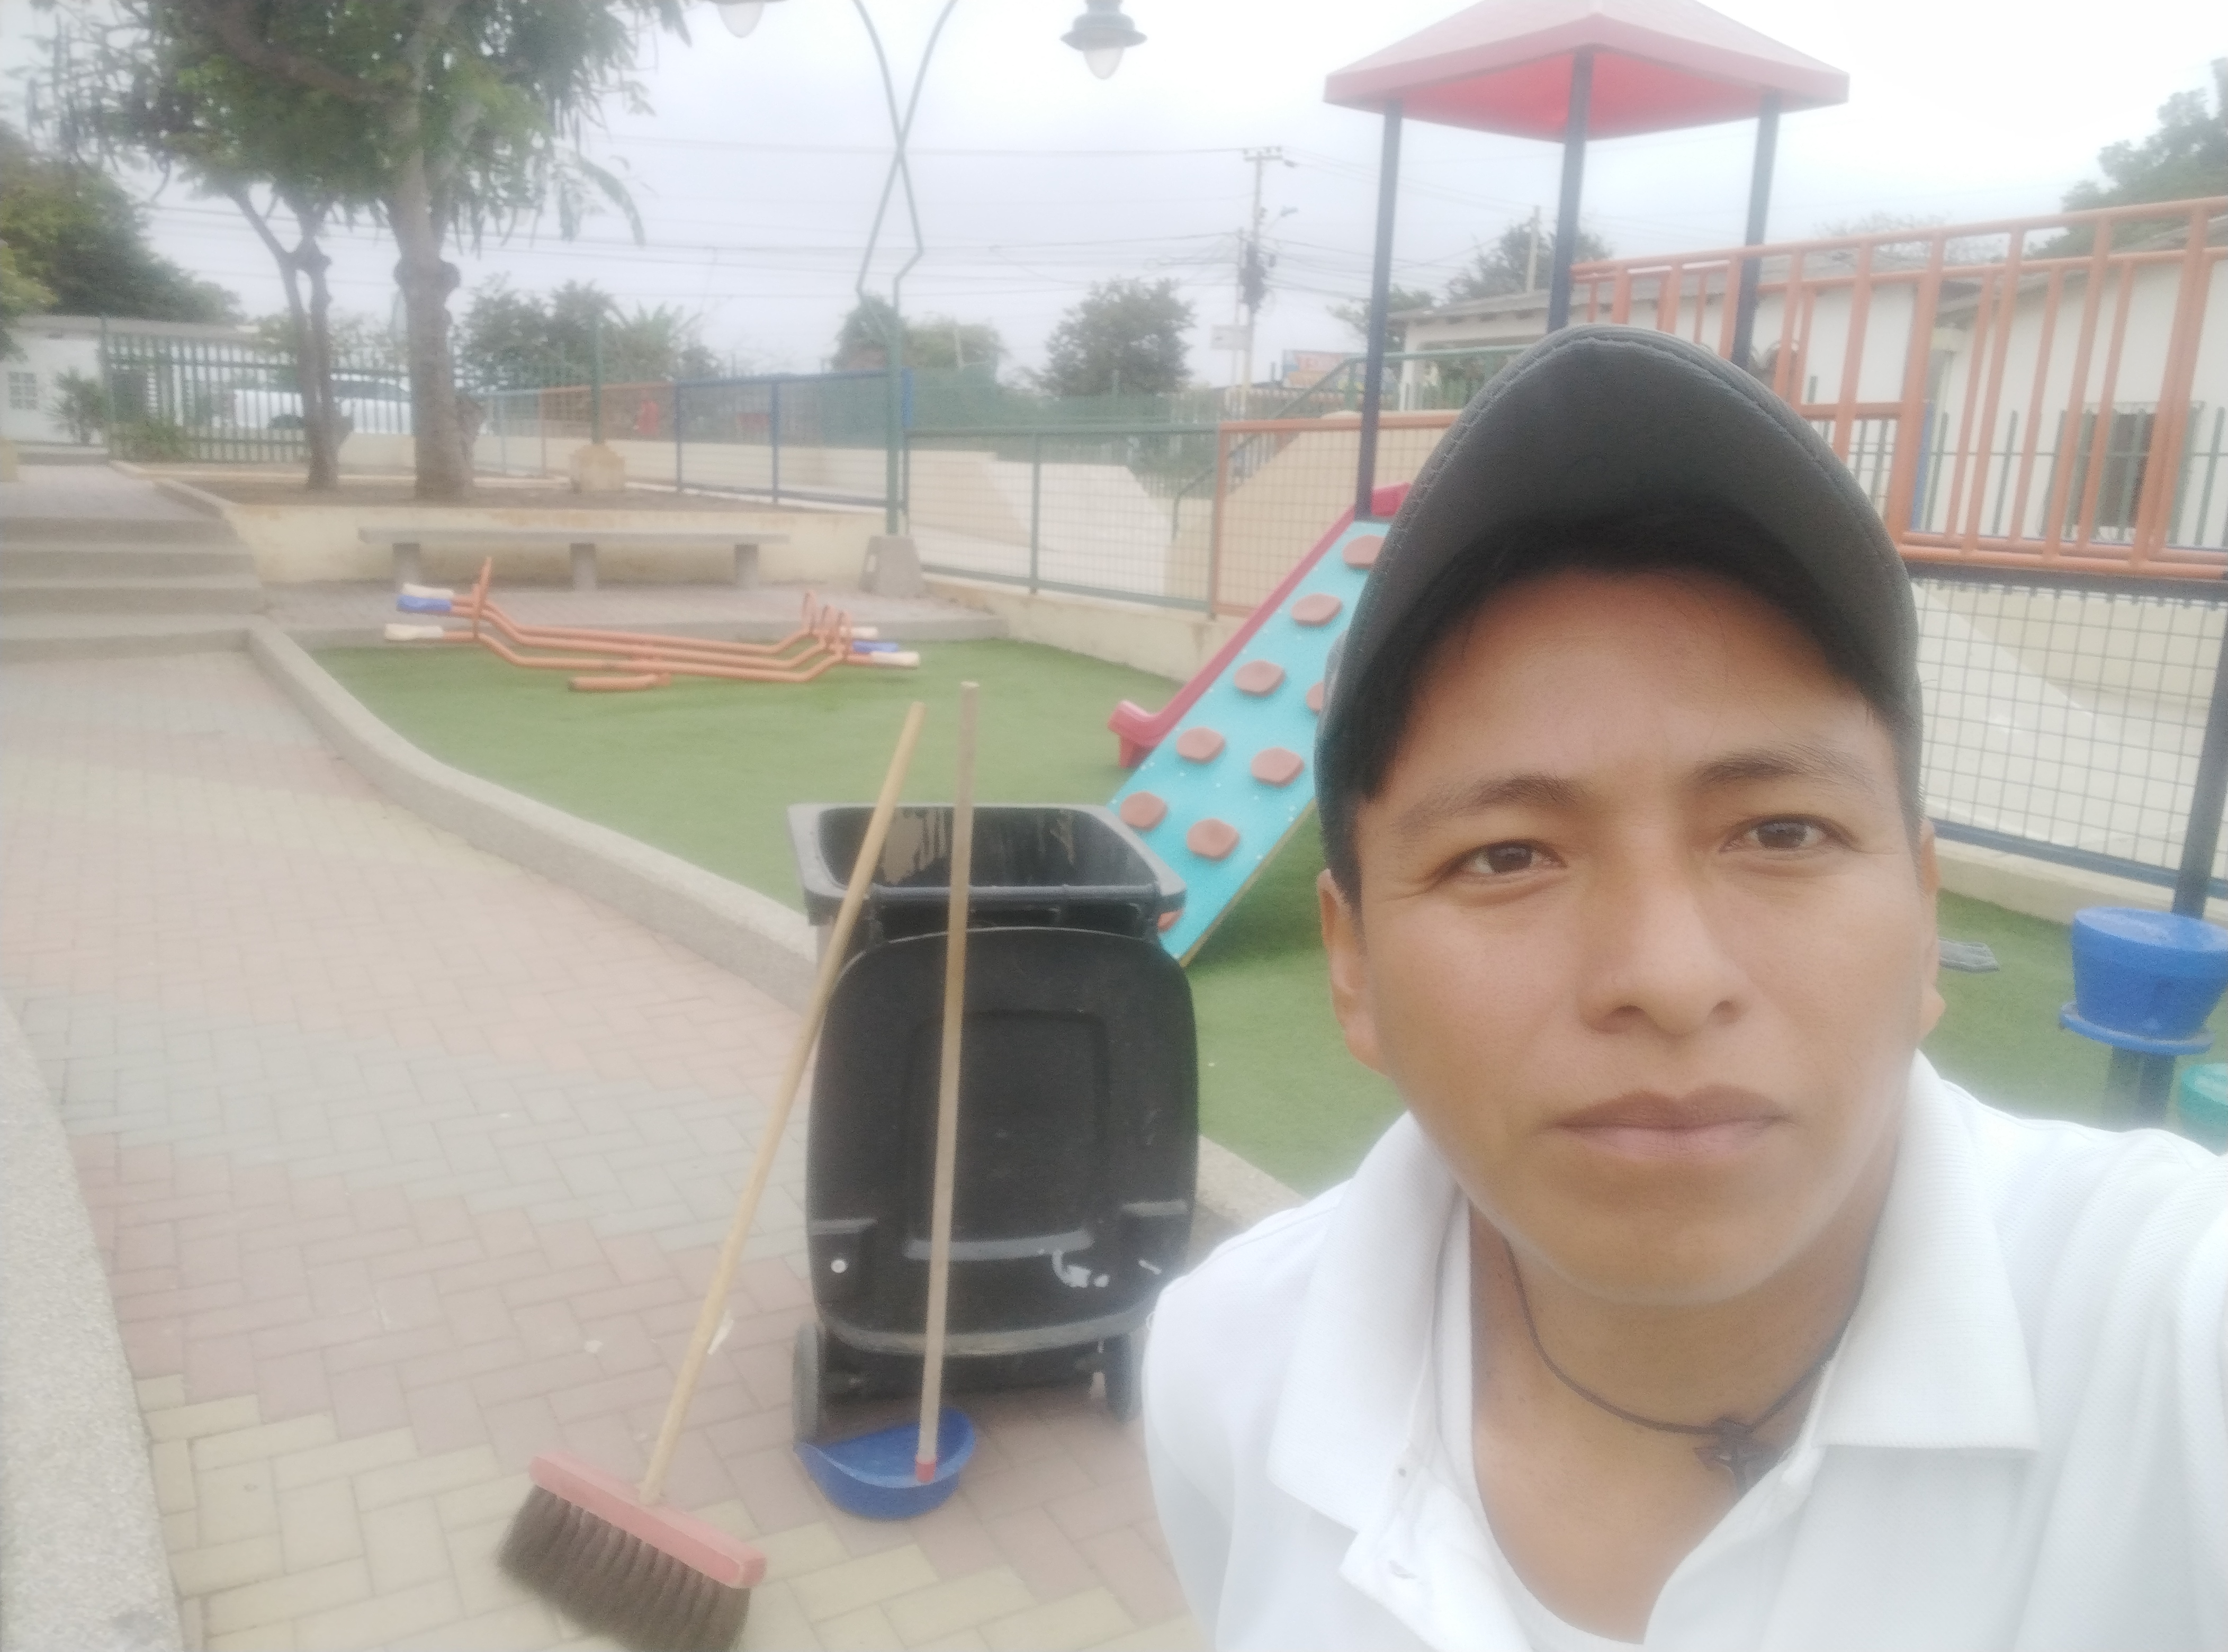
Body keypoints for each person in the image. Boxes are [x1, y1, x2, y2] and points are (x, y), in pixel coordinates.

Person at [1142, 327, 2228, 1652]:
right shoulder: (1225, 1367)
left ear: (1923, 916)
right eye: (1506, 856)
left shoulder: (2175, 1339)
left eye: (1781, 832)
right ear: (1352, 962)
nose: (1666, 978)